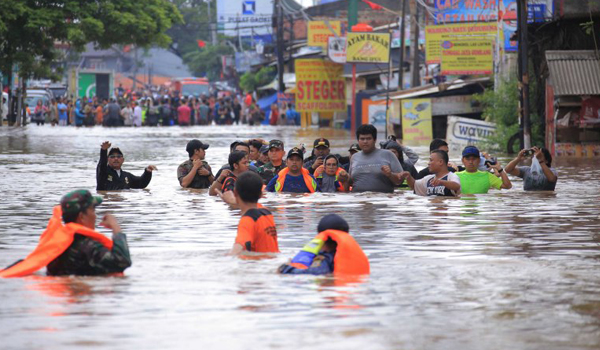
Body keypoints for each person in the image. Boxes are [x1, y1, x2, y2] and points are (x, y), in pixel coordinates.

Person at [0, 190, 132, 277]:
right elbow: (122, 262)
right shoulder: (88, 246)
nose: (95, 215)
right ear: (81, 216)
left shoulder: (56, 245)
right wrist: (116, 228)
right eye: (92, 209)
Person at [278, 214, 369, 276]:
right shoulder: (353, 255)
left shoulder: (326, 259)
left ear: (321, 237)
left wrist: (285, 268)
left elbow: (314, 273)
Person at [229, 172, 279, 255]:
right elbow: (252, 207)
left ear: (235, 193)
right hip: (273, 262)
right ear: (260, 194)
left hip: (257, 265)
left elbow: (237, 250)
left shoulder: (247, 221)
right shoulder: (267, 213)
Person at [349, 124, 404, 193]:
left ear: (375, 140)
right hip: (358, 200)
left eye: (368, 138)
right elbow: (350, 182)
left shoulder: (388, 154)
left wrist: (390, 175)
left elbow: (400, 180)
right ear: (358, 140)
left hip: (381, 199)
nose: (365, 141)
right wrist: (343, 178)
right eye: (362, 139)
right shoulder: (354, 157)